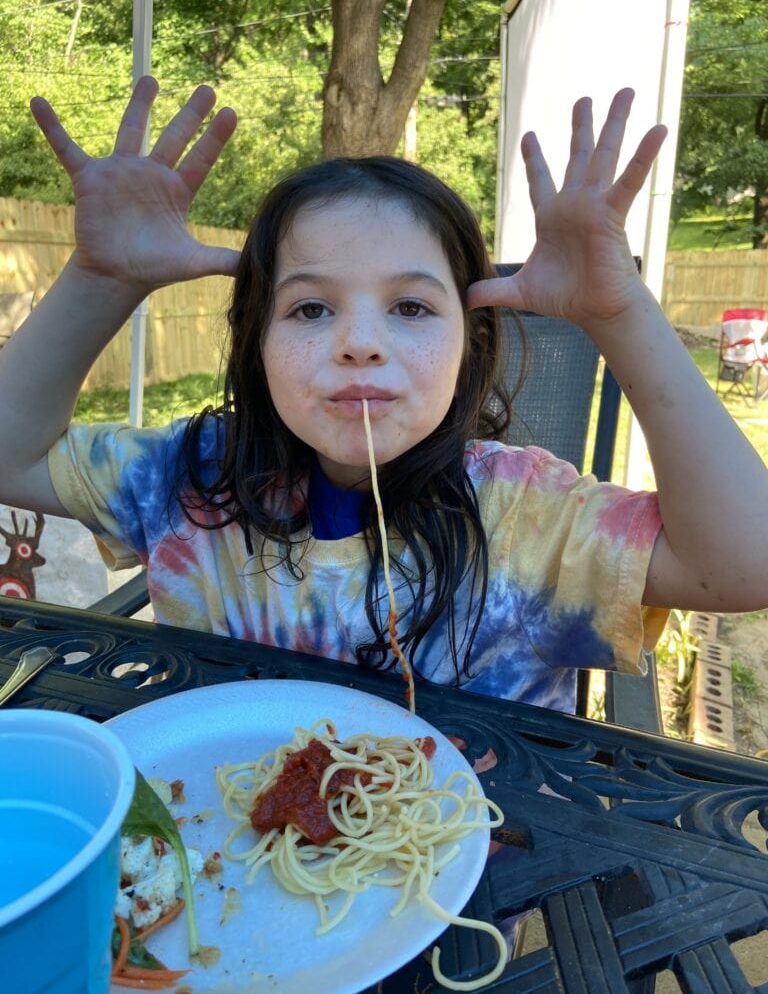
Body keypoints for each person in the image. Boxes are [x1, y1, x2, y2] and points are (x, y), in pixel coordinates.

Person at [1, 77, 766, 718]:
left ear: (470, 346)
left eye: (410, 308)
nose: (359, 341)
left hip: (477, 880)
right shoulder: (188, 481)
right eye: (309, 309)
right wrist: (100, 281)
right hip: (222, 861)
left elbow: (743, 564)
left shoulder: (530, 520)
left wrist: (621, 315)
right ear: (254, 343)